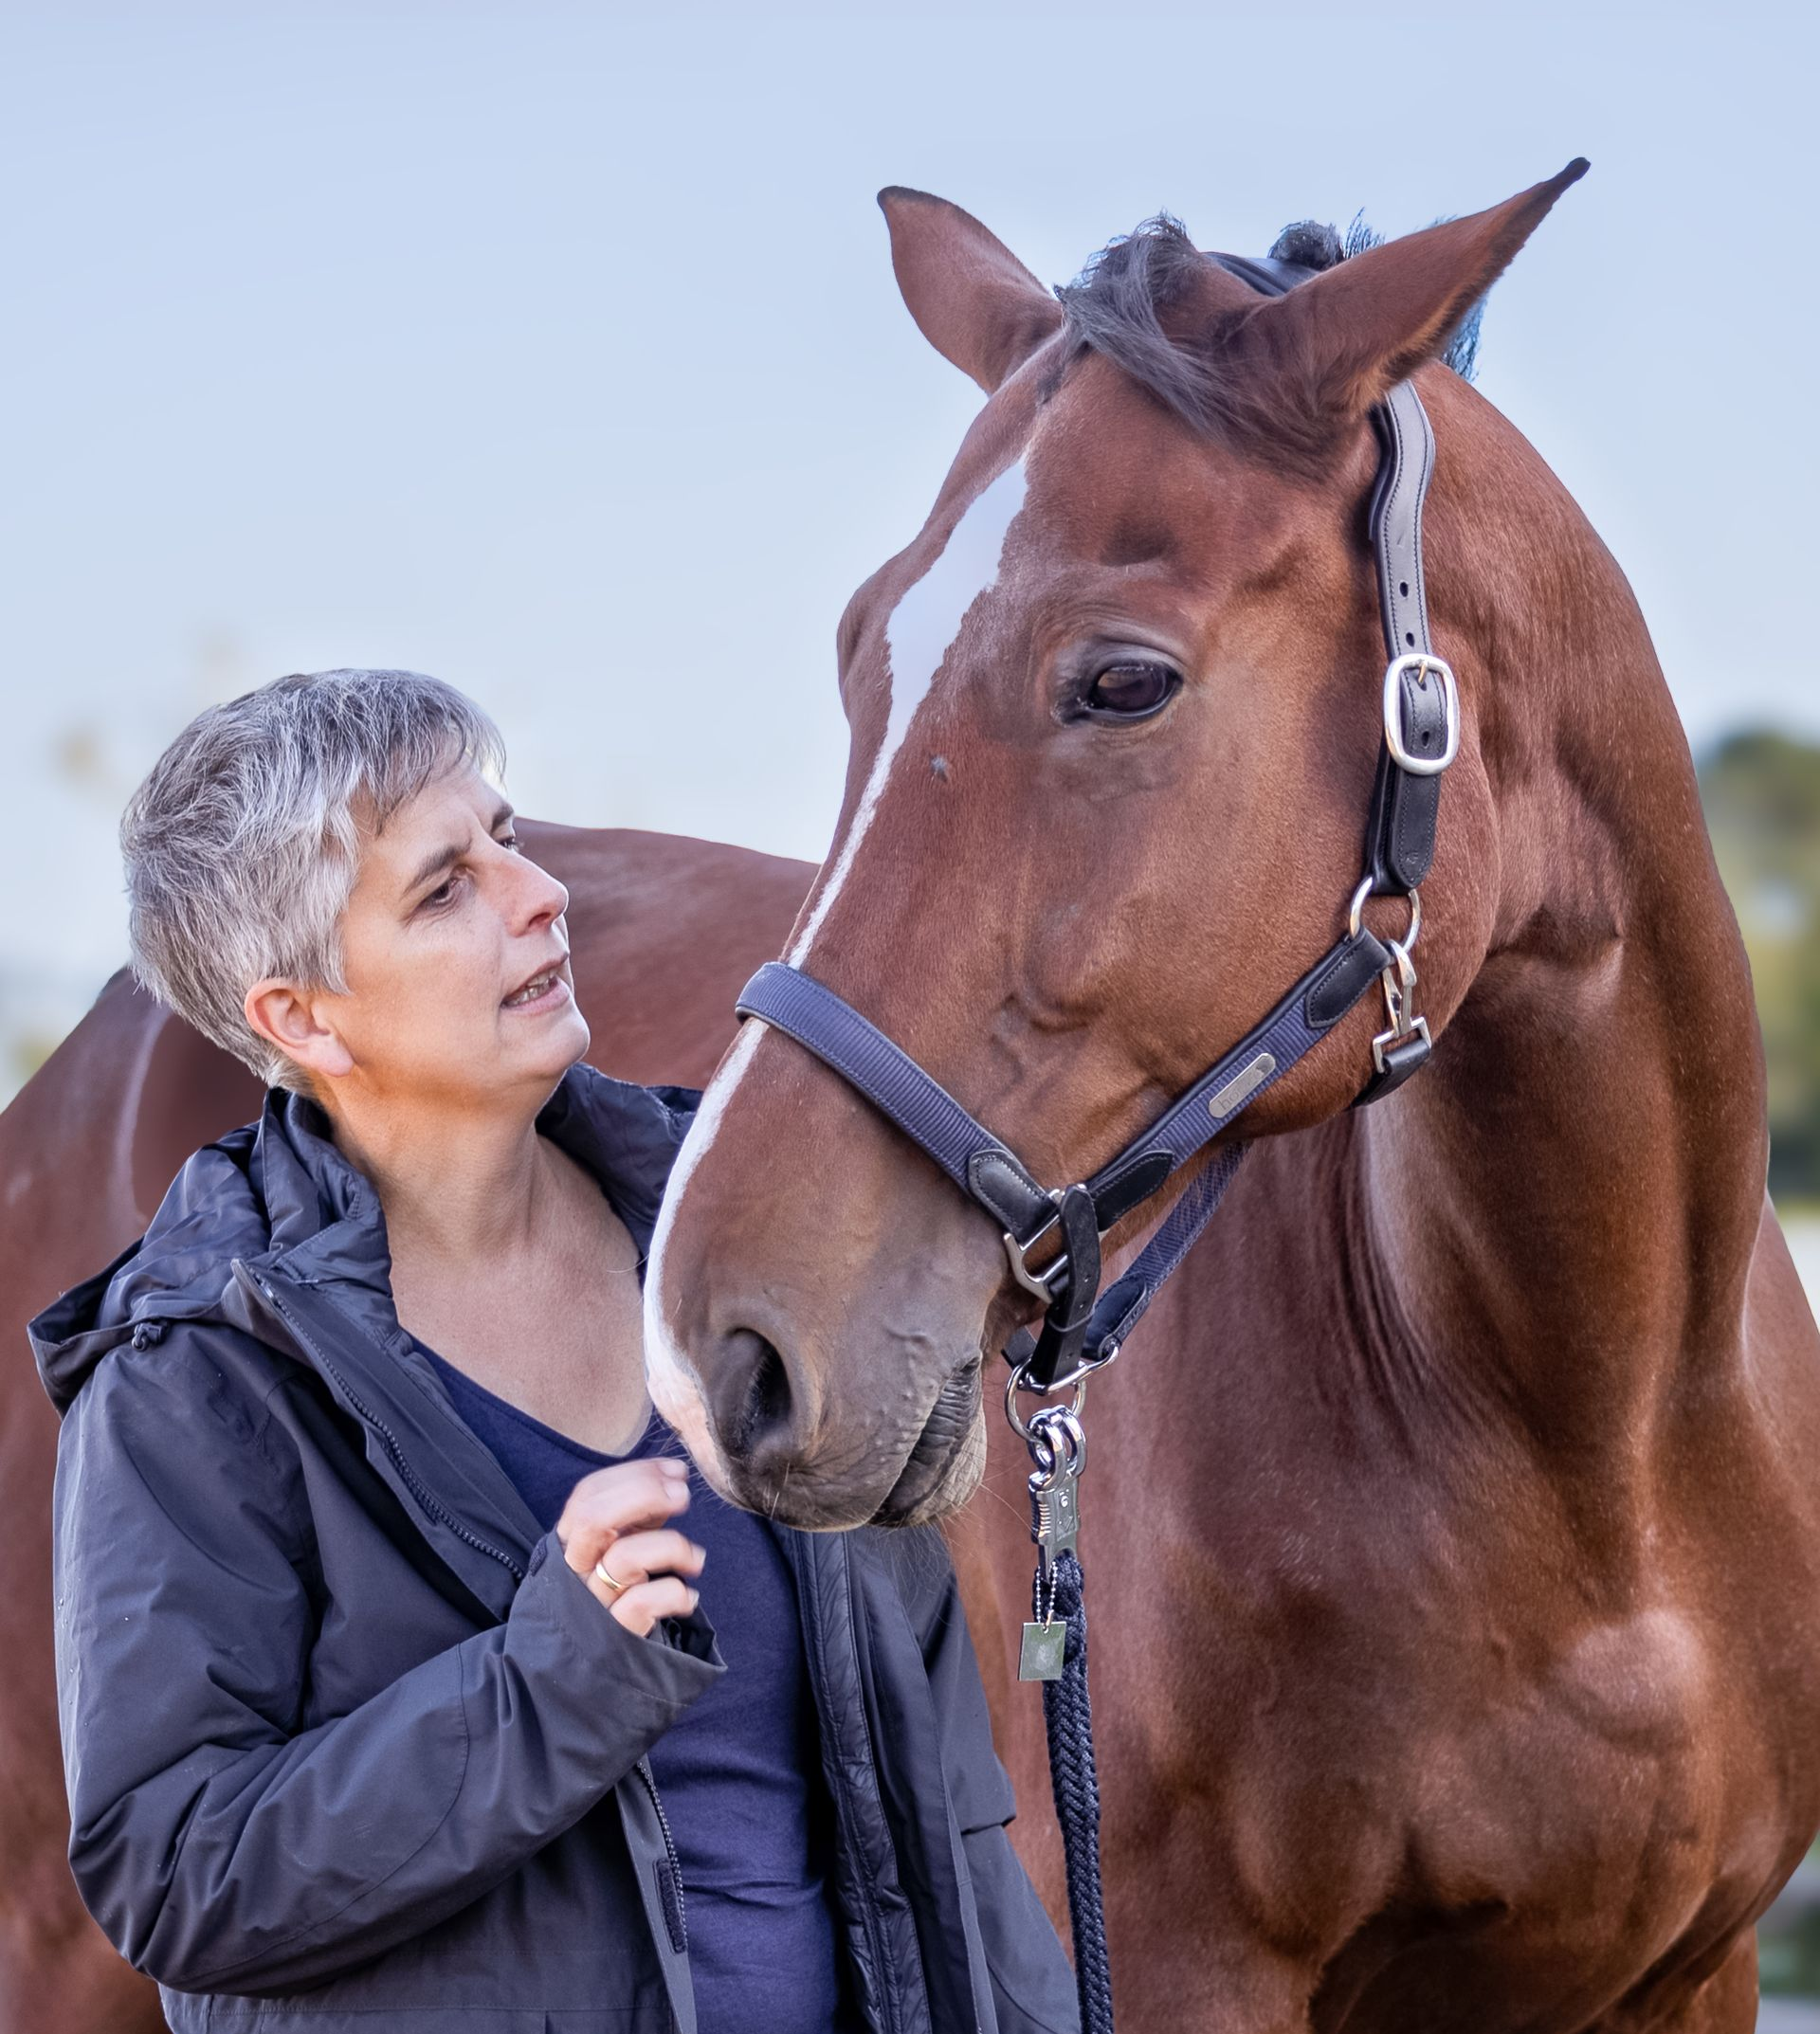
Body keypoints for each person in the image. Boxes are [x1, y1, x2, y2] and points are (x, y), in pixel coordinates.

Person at [30, 668, 1077, 2034]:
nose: (541, 894)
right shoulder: (194, 1375)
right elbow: (178, 1872)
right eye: (444, 888)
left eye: (508, 838)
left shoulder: (745, 1255)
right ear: (300, 1017)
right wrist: (549, 1682)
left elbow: (943, 1810)